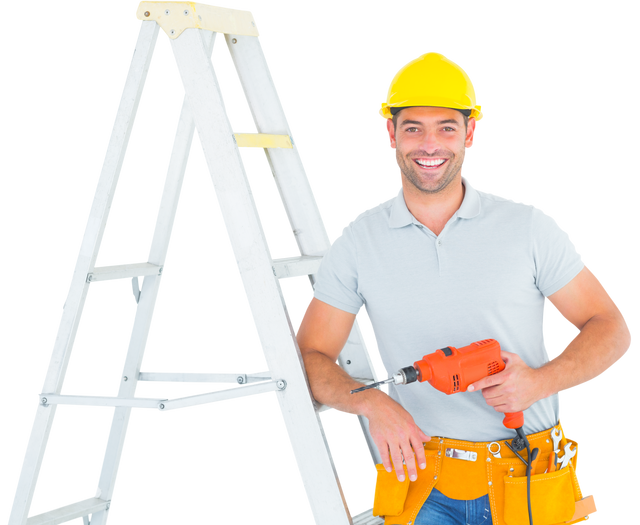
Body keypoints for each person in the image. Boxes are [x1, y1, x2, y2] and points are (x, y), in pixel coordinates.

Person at [295, 49, 632, 524]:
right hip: (420, 476)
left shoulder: (529, 227)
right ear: (390, 134)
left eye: (446, 128)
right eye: (412, 127)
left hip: (524, 478)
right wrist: (371, 403)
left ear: (470, 133)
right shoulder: (358, 238)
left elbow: (612, 327)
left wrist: (539, 382)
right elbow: (309, 358)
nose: (429, 144)